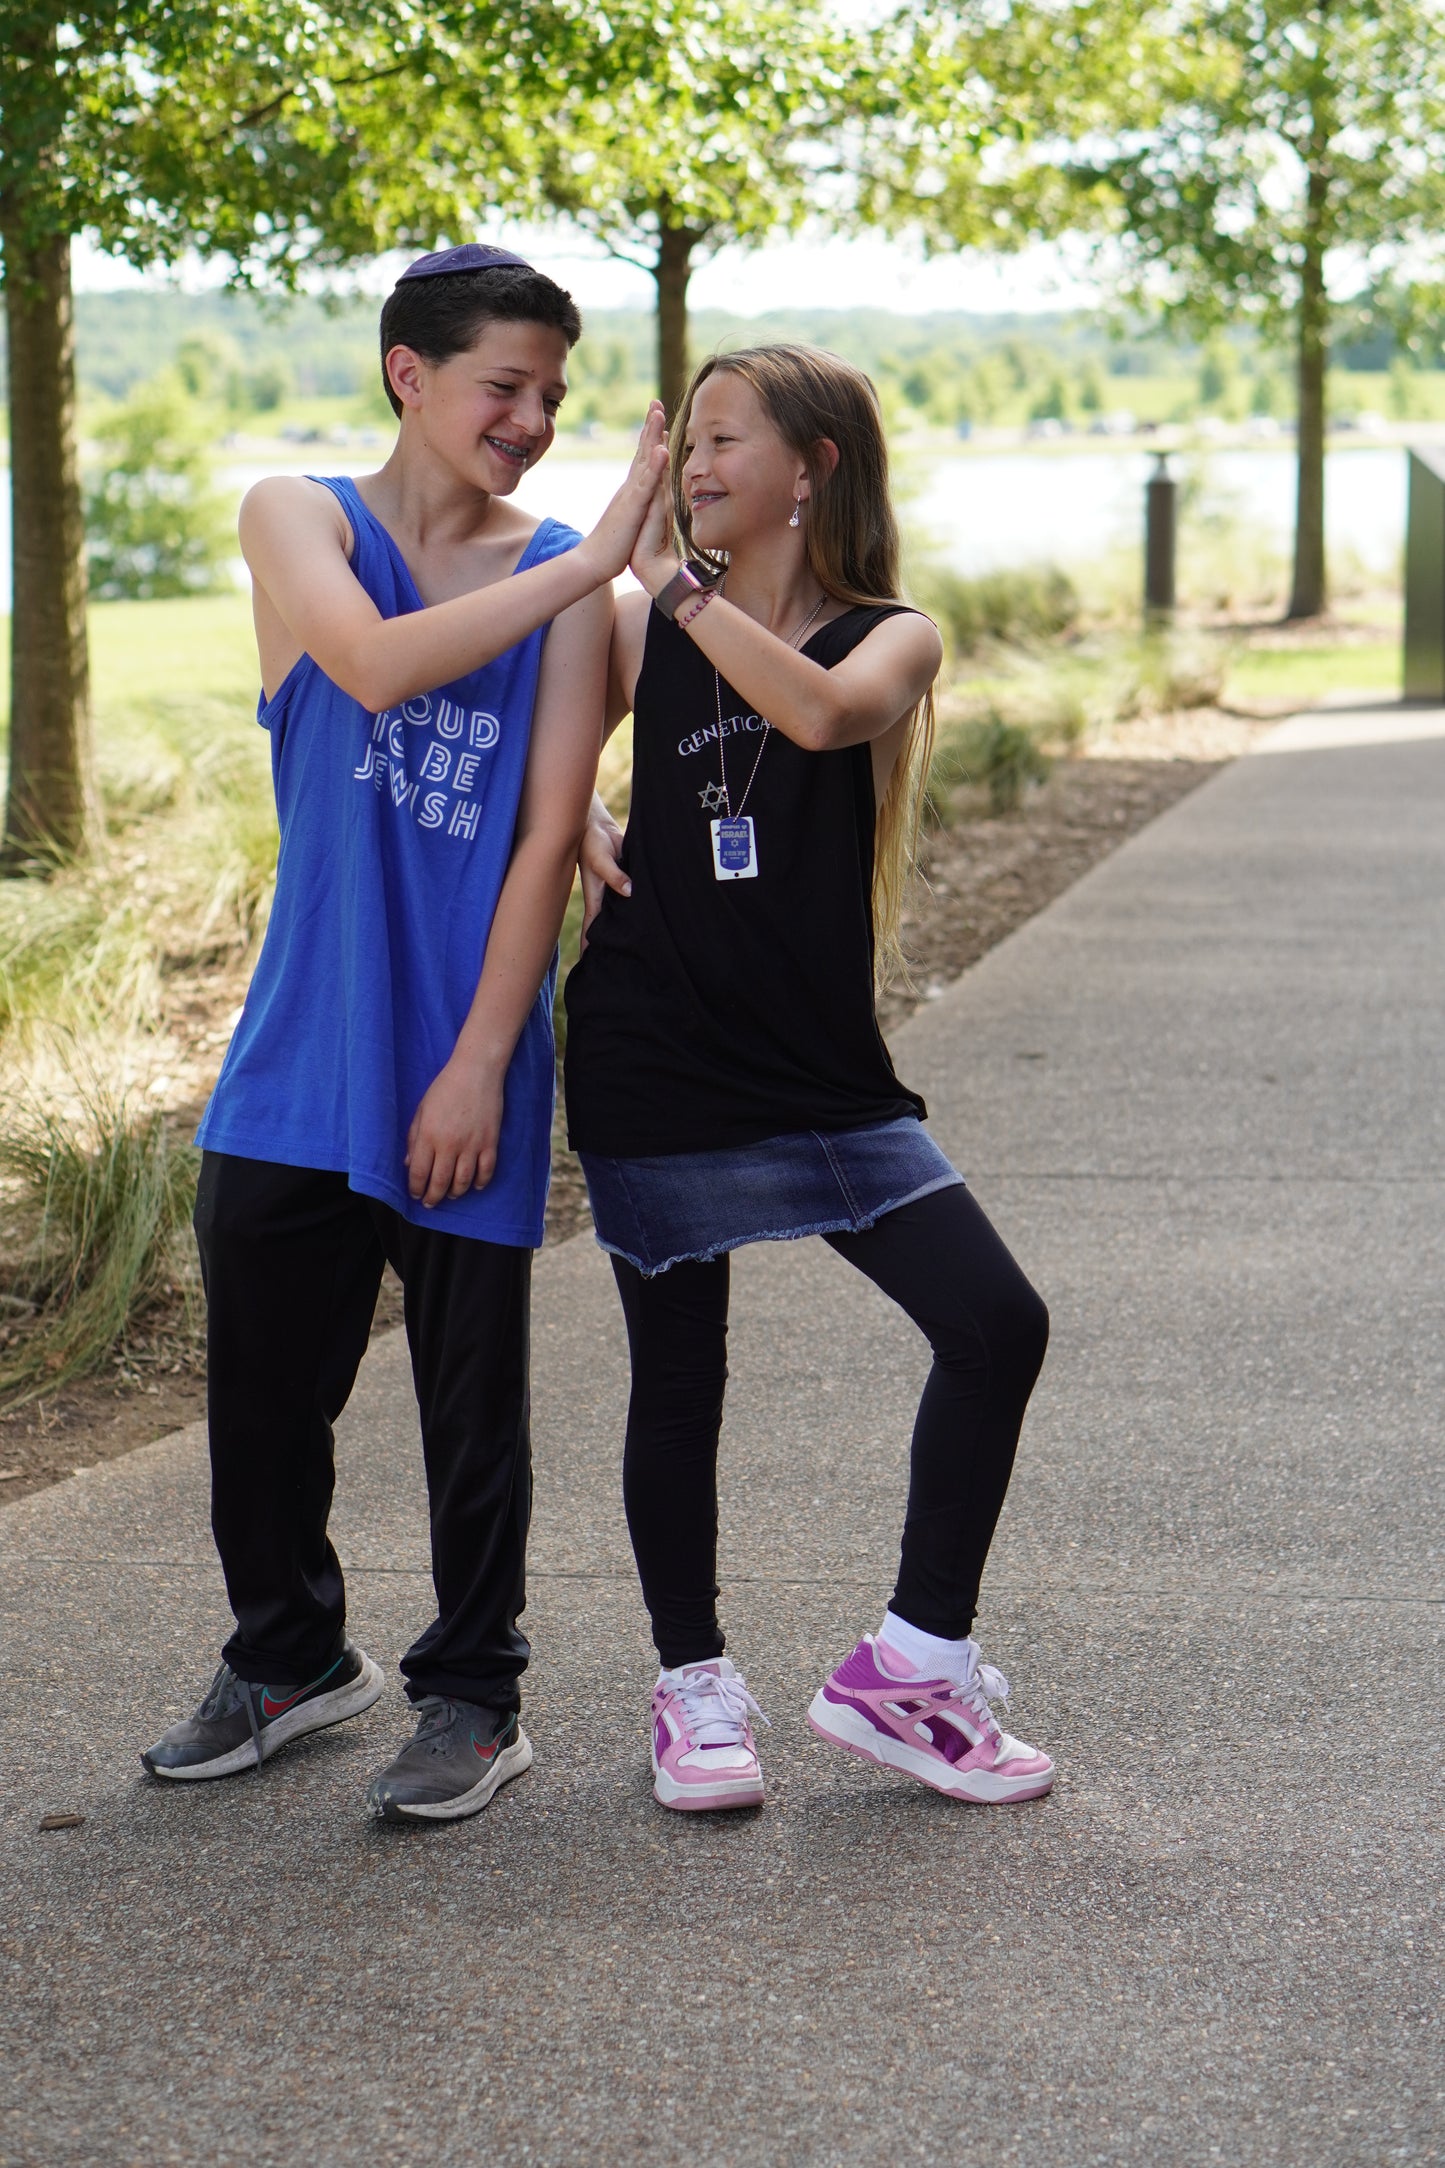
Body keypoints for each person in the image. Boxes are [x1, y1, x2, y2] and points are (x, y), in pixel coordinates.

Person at [141, 243, 668, 1824]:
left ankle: (474, 1694)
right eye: (506, 387)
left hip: (466, 1042)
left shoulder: (570, 586)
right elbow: (365, 668)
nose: (531, 420)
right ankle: (290, 1658)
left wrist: (479, 1060)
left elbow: (543, 837)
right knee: (261, 1396)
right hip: (302, 1041)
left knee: (466, 1403)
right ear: (408, 374)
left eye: (553, 396)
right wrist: (587, 571)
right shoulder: (300, 516)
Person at [564, 343, 1055, 1813]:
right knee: (678, 1378)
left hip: (821, 1074)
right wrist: (578, 808)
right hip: (652, 1046)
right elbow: (534, 753)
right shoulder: (636, 623)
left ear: (811, 467)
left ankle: (911, 1666)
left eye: (725, 441)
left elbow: (820, 718)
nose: (696, 466)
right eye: (686, 443)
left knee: (993, 1324)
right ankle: (692, 1690)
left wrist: (679, 587)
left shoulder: (886, 635)